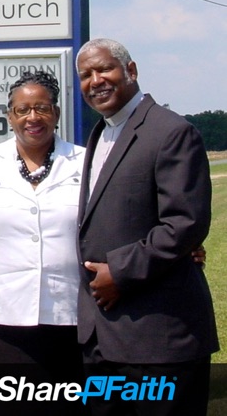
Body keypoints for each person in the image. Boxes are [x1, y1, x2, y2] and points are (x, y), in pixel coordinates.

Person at [75, 38, 219, 416]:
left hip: (159, 339)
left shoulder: (171, 132)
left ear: (131, 71)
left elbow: (185, 224)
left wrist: (119, 273)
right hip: (102, 339)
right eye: (86, 75)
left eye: (104, 69)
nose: (96, 81)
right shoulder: (100, 134)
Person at [0, 70, 86, 414]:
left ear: (56, 113)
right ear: (10, 116)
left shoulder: (86, 163)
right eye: (22, 110)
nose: (32, 118)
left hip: (73, 319)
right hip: (5, 324)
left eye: (41, 108)